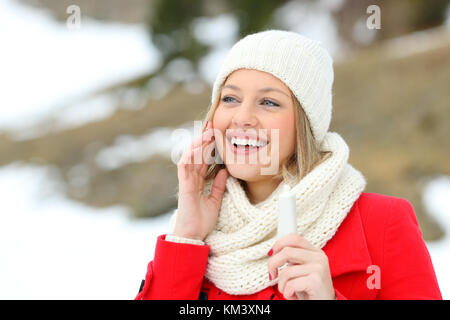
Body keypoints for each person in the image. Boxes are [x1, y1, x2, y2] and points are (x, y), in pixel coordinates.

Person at [135, 30, 442, 300]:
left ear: (305, 125)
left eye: (269, 102)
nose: (242, 117)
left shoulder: (383, 222)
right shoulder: (190, 236)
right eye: (230, 99)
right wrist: (187, 237)